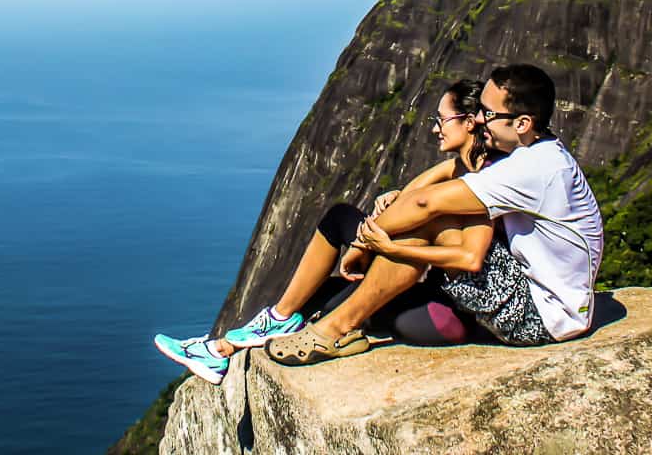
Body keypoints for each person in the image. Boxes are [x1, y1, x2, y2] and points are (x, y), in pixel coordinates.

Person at [152, 79, 501, 384]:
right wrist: (390, 200)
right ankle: (222, 348)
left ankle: (271, 325)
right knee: (330, 281)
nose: (435, 128)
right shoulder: (459, 166)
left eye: (441, 120)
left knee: (342, 224)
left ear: (470, 123)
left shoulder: (484, 182)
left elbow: (431, 221)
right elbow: (412, 196)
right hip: (434, 303)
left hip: (445, 315)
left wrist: (369, 241)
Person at [266, 63, 604, 365]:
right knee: (430, 214)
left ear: (522, 123)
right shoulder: (543, 155)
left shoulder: (529, 169)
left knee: (437, 216)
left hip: (538, 317)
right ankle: (334, 319)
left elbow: (427, 205)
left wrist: (365, 244)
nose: (480, 119)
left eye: (488, 113)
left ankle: (335, 329)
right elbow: (439, 180)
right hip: (551, 306)